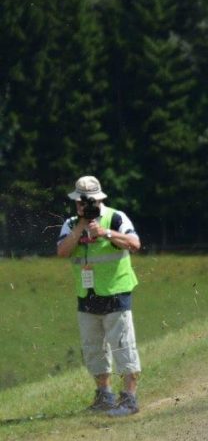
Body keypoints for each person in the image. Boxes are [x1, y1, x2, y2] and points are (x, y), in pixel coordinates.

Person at [56, 176, 143, 417]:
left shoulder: (116, 217)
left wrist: (105, 233)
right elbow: (62, 251)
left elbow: (134, 243)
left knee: (123, 346)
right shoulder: (71, 224)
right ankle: (104, 395)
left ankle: (129, 398)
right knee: (93, 348)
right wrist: (81, 226)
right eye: (80, 203)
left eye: (88, 202)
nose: (84, 207)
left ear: (99, 199)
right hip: (87, 296)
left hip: (116, 293)